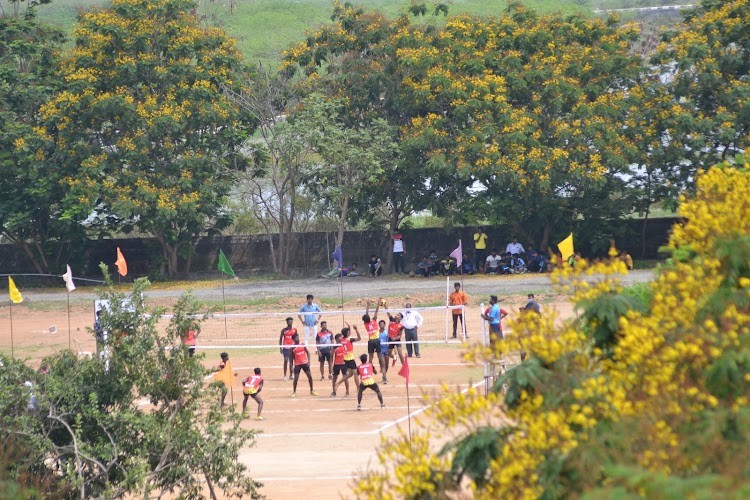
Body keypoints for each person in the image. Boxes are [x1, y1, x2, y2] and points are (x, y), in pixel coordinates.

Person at [333, 323, 362, 395]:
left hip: (345, 359)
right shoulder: (350, 339)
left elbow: (346, 335)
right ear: (347, 333)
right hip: (351, 359)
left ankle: (338, 383)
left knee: (350, 374)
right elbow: (359, 338)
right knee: (355, 374)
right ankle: (358, 389)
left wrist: (349, 328)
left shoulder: (341, 340)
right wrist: (356, 329)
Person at [330, 333, 350, 397]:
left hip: (344, 364)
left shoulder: (344, 344)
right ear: (336, 339)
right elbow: (331, 357)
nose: (341, 338)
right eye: (340, 337)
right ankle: (334, 391)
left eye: (342, 337)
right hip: (336, 364)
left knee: (345, 378)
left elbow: (348, 335)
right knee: (334, 379)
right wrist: (331, 367)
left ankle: (347, 392)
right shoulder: (334, 347)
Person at [363, 299, 381, 364]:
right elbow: (376, 311)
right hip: (376, 340)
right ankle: (382, 367)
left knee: (371, 356)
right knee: (379, 355)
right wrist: (378, 304)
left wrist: (368, 305)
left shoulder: (365, 324)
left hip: (370, 341)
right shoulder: (374, 321)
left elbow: (366, 314)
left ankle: (370, 367)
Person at [278, 317, 297, 381]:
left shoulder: (295, 330)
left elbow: (296, 338)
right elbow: (280, 339)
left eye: (291, 321)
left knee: (291, 361)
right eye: (289, 321)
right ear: (287, 322)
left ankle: (291, 374)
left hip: (293, 347)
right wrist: (280, 347)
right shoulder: (283, 330)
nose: (290, 322)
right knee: (286, 360)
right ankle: (285, 375)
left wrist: (297, 346)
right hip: (286, 347)